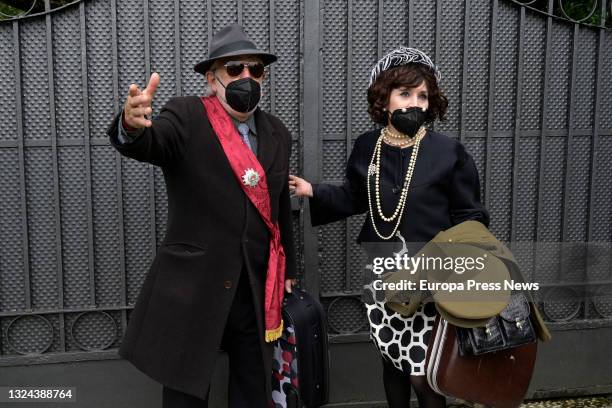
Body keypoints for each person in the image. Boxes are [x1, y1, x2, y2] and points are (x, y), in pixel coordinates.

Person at [107, 23, 297, 408]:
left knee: (253, 381)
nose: (247, 77)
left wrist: (288, 268)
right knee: (185, 388)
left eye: (255, 70)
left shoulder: (278, 132)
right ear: (212, 80)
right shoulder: (187, 115)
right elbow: (151, 142)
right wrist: (131, 125)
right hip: (193, 284)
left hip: (254, 282)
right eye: (235, 69)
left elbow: (277, 209)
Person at [289, 47, 489, 407]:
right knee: (391, 361)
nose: (416, 102)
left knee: (425, 373)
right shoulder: (368, 146)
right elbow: (355, 197)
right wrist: (312, 191)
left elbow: (470, 216)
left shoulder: (449, 152)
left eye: (423, 95)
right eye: (405, 93)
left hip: (429, 274)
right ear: (385, 99)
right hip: (380, 272)